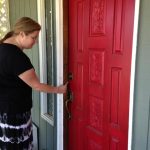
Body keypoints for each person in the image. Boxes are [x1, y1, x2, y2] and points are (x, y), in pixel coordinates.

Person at [0, 17, 67, 149]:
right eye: (34, 37)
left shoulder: (2, 48)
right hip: (15, 114)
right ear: (22, 34)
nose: (35, 42)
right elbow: (36, 85)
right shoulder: (16, 57)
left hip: (3, 111)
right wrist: (59, 90)